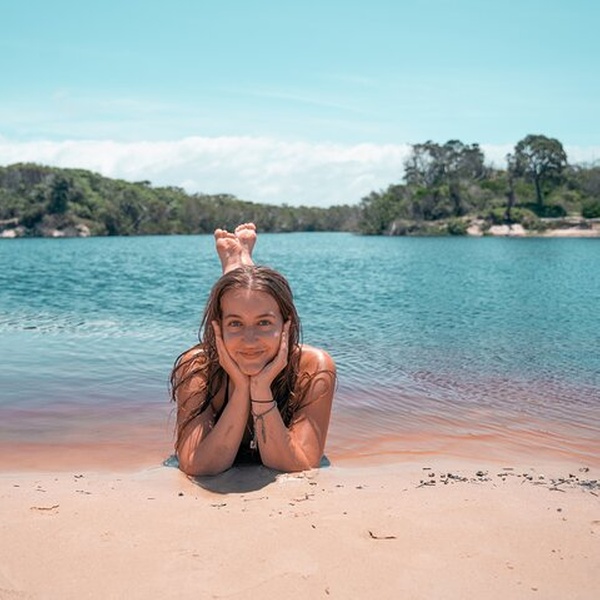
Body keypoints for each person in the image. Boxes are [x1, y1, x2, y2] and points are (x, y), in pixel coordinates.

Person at [170, 223, 336, 476]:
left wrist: (260, 390)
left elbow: (299, 465)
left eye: (264, 323)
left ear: (287, 325)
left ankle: (238, 264)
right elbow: (197, 466)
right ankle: (237, 263)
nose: (249, 340)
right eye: (235, 323)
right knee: (245, 292)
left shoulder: (313, 366)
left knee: (246, 293)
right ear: (218, 328)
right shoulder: (197, 366)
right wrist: (240, 388)